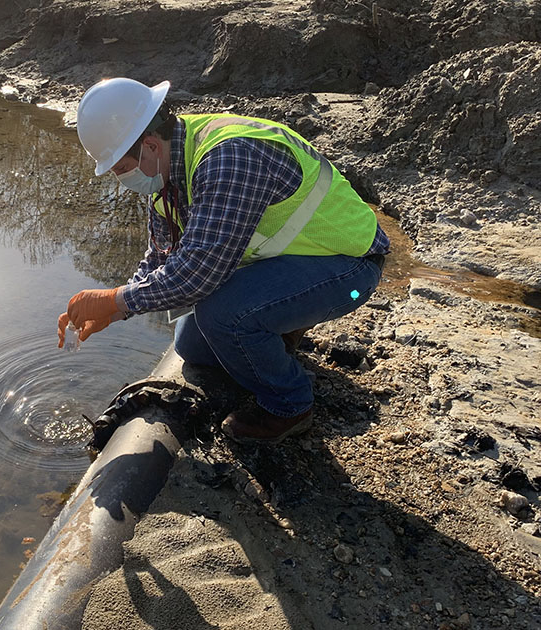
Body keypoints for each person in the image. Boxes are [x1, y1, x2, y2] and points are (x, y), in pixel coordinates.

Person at [57, 78, 389, 444]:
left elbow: (196, 275)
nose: (122, 180)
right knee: (193, 346)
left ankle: (289, 405)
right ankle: (280, 326)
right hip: (292, 263)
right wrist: (114, 309)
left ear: (149, 146)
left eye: (120, 169)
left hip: (350, 266)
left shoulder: (227, 159)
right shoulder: (169, 165)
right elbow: (161, 257)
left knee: (224, 317)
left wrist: (117, 299)